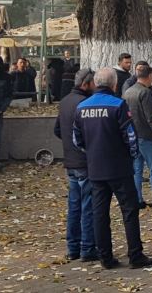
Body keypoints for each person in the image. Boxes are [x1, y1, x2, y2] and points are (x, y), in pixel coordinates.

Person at [72, 68, 152, 270]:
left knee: (100, 213)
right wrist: (131, 155)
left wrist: (91, 153)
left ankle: (105, 257)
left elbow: (77, 139)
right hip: (119, 168)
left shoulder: (82, 107)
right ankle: (135, 255)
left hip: (95, 168)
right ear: (114, 84)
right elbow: (131, 137)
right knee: (129, 210)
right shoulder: (118, 105)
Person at [54, 68, 97, 262]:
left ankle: (73, 247)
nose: (96, 87)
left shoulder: (64, 102)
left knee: (74, 206)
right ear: (86, 84)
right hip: (84, 161)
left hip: (70, 161)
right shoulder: (85, 104)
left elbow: (57, 130)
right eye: (94, 83)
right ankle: (87, 248)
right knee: (88, 205)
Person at [123, 65, 152, 209]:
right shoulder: (145, 93)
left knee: (137, 170)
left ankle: (137, 199)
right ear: (149, 76)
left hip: (133, 135)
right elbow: (151, 117)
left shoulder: (128, 92)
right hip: (147, 135)